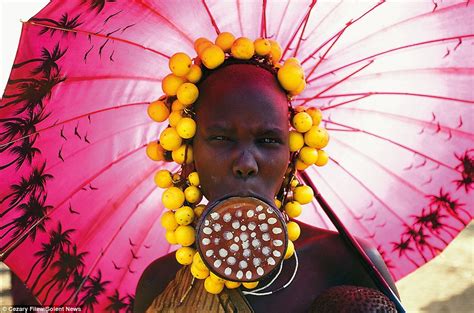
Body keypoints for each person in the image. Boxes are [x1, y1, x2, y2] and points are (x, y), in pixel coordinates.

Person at [134, 62, 399, 313]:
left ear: (292, 155)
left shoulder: (346, 261)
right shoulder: (160, 285)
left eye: (268, 140)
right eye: (220, 138)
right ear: (189, 154)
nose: (246, 164)